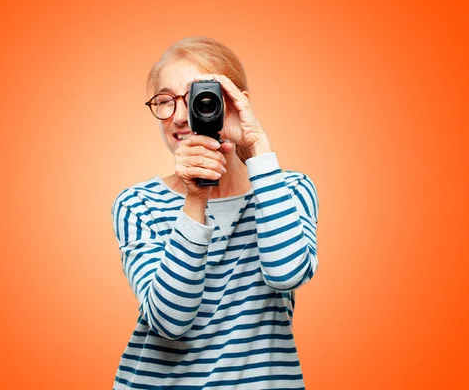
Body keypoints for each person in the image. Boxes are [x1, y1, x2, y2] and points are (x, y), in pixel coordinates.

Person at [110, 36, 319, 389]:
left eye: (198, 99)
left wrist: (258, 148)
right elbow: (170, 321)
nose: (179, 117)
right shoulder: (138, 203)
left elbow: (287, 274)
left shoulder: (289, 190)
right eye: (165, 101)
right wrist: (195, 199)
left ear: (235, 104)